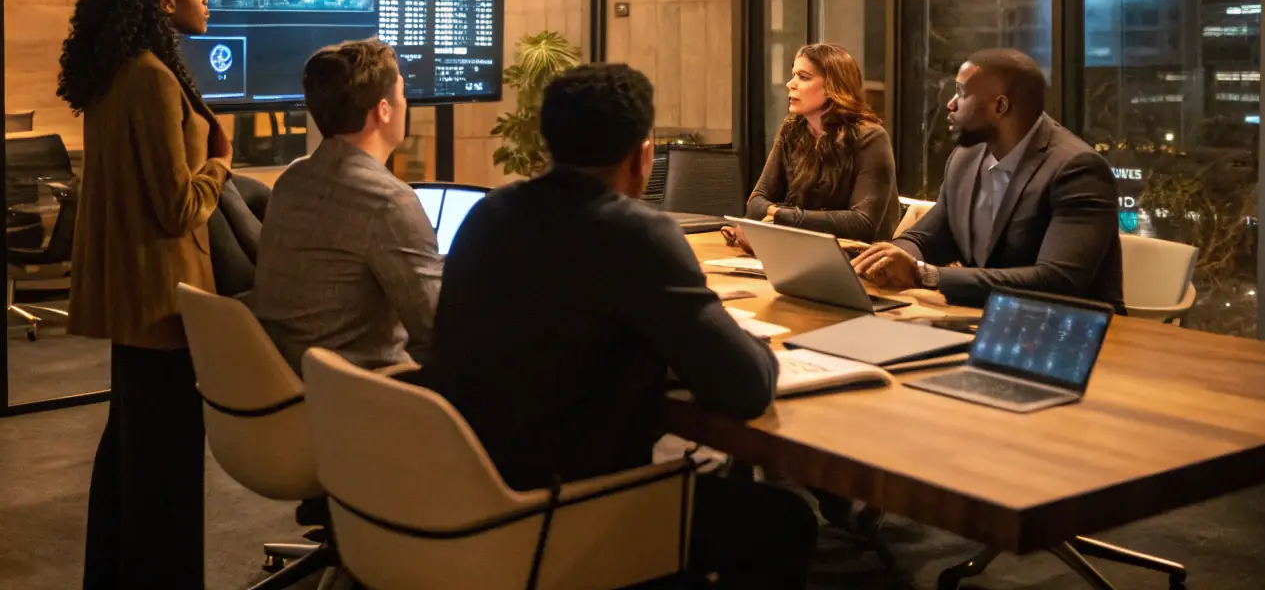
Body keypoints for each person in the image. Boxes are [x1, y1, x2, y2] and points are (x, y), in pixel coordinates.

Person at [420, 63, 817, 588]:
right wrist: (755, 347)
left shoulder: (491, 213)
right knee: (786, 518)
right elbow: (745, 387)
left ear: (549, 143)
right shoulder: (637, 233)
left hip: (466, 488)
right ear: (642, 155)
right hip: (563, 511)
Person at [60, 0, 232, 590]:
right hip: (166, 304)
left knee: (128, 464)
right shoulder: (155, 82)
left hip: (127, 300)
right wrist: (220, 161)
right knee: (166, 477)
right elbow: (176, 208)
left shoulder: (114, 75)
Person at [853, 48, 1123, 308]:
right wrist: (885, 261)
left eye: (961, 92)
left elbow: (1057, 281)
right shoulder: (965, 158)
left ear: (1000, 106)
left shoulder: (1077, 169)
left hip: (1078, 336)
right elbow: (924, 240)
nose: (950, 104)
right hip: (983, 320)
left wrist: (925, 274)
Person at [250, 38, 442, 373]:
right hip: (356, 395)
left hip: (282, 383)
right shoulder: (389, 201)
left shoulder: (292, 179)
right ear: (383, 110)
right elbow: (436, 324)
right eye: (402, 94)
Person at [723, 42, 899, 250]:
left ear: (834, 86)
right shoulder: (792, 128)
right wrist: (778, 216)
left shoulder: (870, 137)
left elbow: (862, 223)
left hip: (857, 261)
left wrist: (778, 215)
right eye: (793, 75)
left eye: (803, 77)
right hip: (800, 250)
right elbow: (756, 202)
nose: (791, 84)